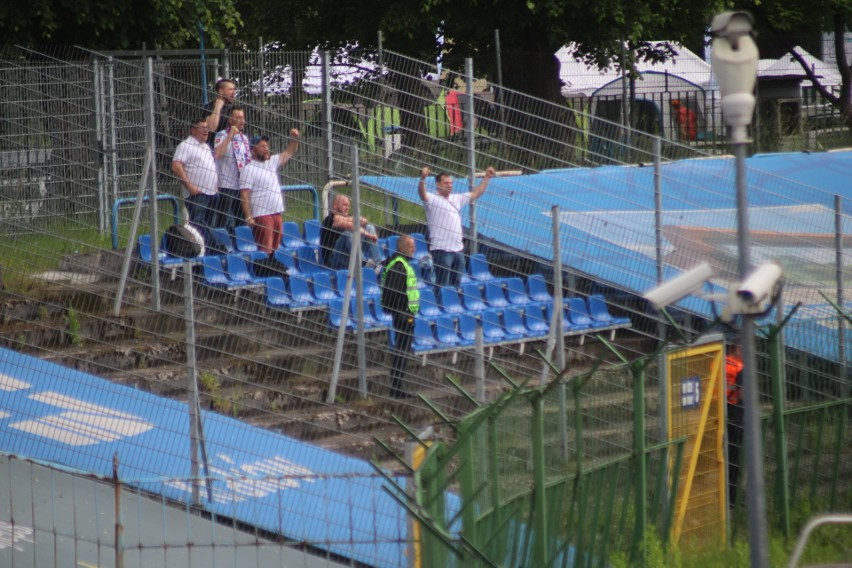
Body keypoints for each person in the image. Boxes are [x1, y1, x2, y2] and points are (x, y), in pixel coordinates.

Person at [418, 165, 496, 288]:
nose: (449, 185)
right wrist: (422, 179)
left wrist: (487, 178)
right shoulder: (432, 199)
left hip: (458, 250)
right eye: (446, 183)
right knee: (442, 286)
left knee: (456, 285)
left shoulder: (457, 198)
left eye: (451, 183)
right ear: (438, 184)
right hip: (441, 251)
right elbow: (422, 194)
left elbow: (476, 193)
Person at [239, 130, 300, 254]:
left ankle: (273, 269)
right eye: (262, 146)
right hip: (262, 215)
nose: (266, 148)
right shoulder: (248, 169)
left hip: (276, 212)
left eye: (267, 146)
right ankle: (265, 271)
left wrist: (295, 139)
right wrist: (249, 216)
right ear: (253, 151)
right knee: (266, 249)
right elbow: (244, 194)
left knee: (275, 248)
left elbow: (289, 152)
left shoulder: (271, 162)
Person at [381, 235, 420, 398]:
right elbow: (392, 292)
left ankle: (398, 385)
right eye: (411, 246)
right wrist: (401, 311)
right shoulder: (398, 266)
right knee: (401, 350)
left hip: (406, 314)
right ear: (402, 247)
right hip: (403, 315)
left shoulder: (402, 264)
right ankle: (397, 386)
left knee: (404, 349)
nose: (414, 249)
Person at [171, 117, 219, 237]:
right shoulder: (186, 145)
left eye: (207, 128)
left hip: (212, 193)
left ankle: (210, 249)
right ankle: (213, 247)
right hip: (197, 194)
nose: (206, 131)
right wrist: (189, 186)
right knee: (198, 224)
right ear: (193, 130)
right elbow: (176, 166)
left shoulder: (206, 147)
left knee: (209, 224)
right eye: (202, 128)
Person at [213, 106, 251, 234]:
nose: (242, 120)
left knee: (241, 220)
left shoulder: (244, 139)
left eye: (243, 117)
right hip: (226, 185)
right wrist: (230, 136)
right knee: (222, 219)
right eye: (238, 117)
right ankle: (220, 245)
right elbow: (217, 154)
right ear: (230, 120)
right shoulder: (221, 135)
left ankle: (239, 244)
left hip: (241, 186)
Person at [320, 194, 382, 270]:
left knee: (369, 227)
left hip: (348, 256)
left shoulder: (347, 216)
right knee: (347, 234)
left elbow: (364, 221)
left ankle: (378, 264)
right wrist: (368, 235)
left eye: (348, 205)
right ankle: (362, 263)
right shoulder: (329, 219)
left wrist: (353, 219)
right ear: (335, 206)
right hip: (333, 260)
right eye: (344, 205)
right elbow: (350, 226)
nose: (347, 208)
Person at [725, 343, 744, 509]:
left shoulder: (719, 361)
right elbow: (742, 394)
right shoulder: (740, 368)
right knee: (735, 459)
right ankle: (732, 498)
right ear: (737, 348)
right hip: (736, 414)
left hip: (717, 411)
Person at [204, 78, 237, 147]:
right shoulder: (210, 107)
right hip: (214, 146)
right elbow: (211, 128)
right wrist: (218, 106)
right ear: (221, 91)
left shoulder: (234, 108)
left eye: (234, 89)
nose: (233, 92)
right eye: (230, 89)